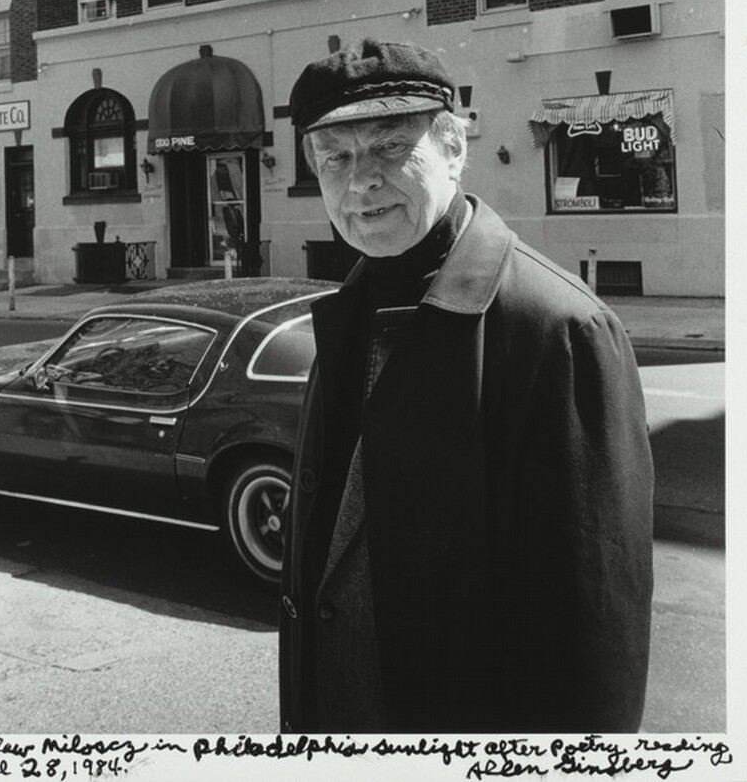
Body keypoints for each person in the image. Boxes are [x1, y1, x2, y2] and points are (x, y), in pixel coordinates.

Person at [279, 38, 654, 733]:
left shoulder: (560, 329)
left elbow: (593, 638)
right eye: (335, 158)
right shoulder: (348, 310)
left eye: (390, 148)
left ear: (453, 148)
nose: (361, 182)